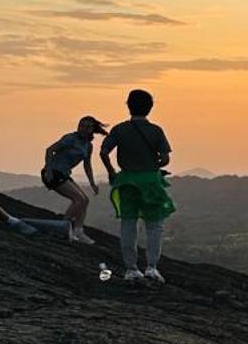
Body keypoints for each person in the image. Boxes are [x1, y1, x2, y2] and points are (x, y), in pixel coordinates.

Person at [100, 88, 175, 285]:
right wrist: (152, 165)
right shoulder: (156, 131)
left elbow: (104, 152)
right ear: (150, 108)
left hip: (126, 181)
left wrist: (111, 171)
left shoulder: (119, 129)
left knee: (128, 224)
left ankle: (131, 269)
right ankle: (151, 267)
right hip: (151, 182)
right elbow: (165, 159)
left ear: (128, 106)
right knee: (154, 226)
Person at [41, 115, 106, 244]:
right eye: (81, 125)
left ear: (92, 130)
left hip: (64, 174)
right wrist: (48, 170)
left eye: (87, 127)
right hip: (53, 173)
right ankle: (62, 229)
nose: (83, 129)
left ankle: (78, 231)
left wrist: (92, 183)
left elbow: (87, 165)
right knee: (78, 199)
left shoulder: (88, 146)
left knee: (85, 200)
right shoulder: (70, 138)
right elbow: (50, 150)